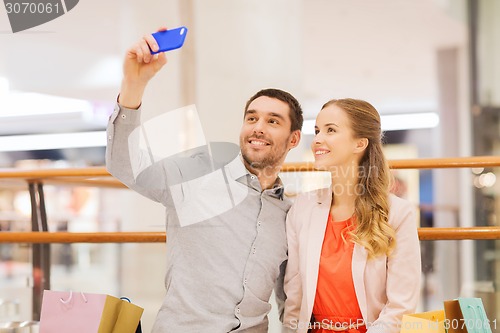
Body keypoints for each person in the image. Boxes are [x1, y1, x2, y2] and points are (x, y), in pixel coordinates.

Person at [106, 28, 303, 332]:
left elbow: (289, 298)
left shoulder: (290, 214)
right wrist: (134, 84)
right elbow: (125, 165)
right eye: (251, 118)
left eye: (272, 121)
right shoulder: (198, 175)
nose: (258, 127)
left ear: (293, 139)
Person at [282, 99, 421, 333]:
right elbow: (294, 297)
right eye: (316, 131)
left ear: (360, 143)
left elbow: (401, 306)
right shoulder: (302, 208)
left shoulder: (398, 213)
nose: (317, 139)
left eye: (330, 130)